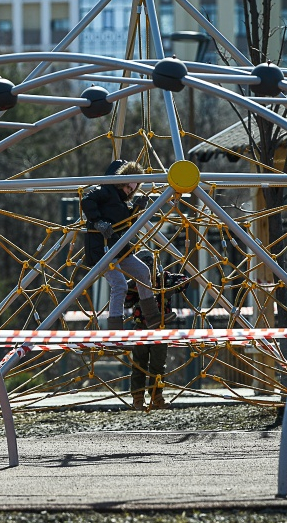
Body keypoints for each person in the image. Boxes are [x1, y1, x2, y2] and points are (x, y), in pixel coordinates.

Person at [81, 159, 174, 410]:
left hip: (119, 249)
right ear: (121, 179)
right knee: (119, 284)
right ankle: (114, 330)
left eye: (136, 184)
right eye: (130, 182)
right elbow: (87, 199)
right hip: (102, 250)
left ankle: (152, 314)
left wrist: (137, 208)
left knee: (143, 272)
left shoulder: (123, 202)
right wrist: (98, 221)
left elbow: (125, 224)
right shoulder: (106, 190)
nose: (133, 187)